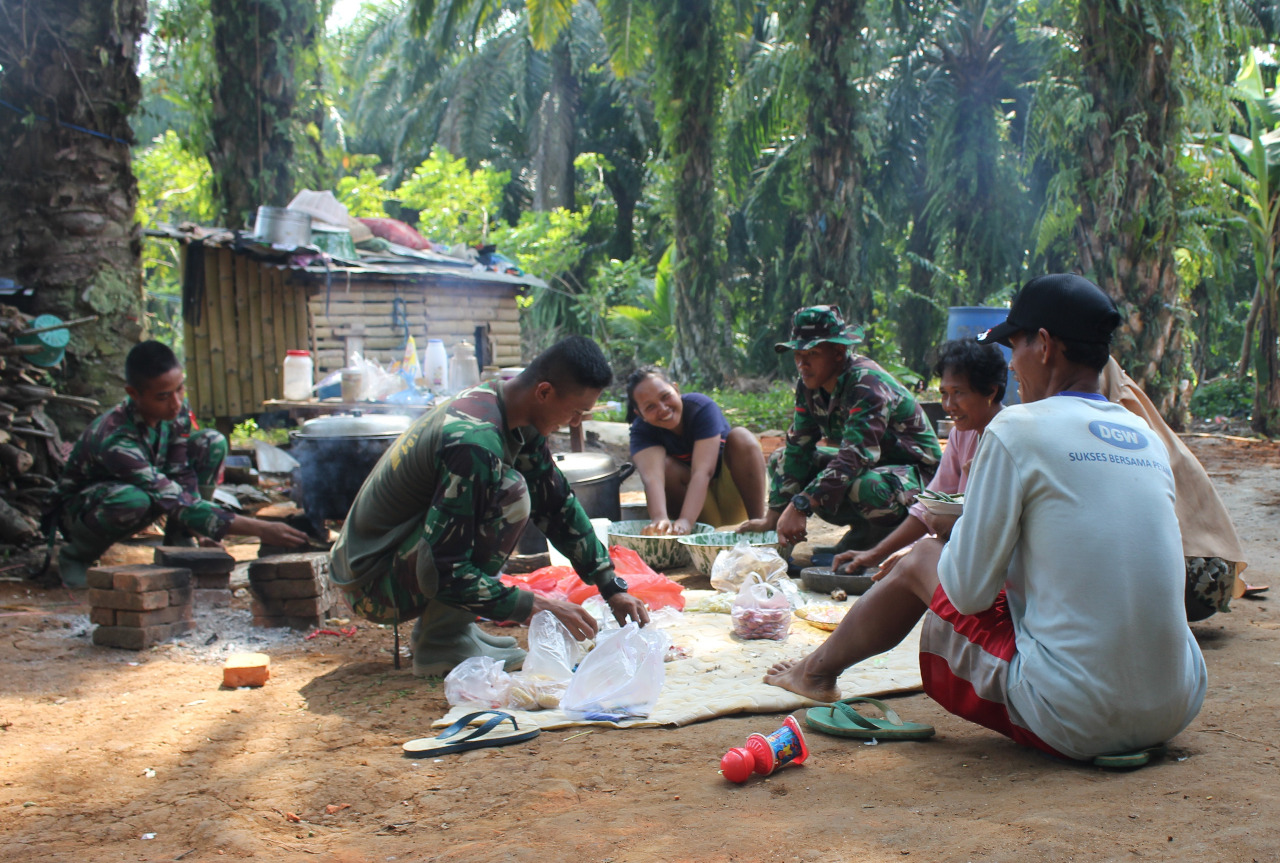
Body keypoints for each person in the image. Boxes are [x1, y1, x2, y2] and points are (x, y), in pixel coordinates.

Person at [764, 274, 1206, 762]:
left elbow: (969, 591)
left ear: (1043, 345)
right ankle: (818, 669)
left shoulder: (1017, 428)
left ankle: (816, 672)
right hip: (1176, 704)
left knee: (922, 558)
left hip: (1078, 716)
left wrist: (956, 537)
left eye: (1013, 347)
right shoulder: (1143, 435)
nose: (1012, 366)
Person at [329, 336, 650, 678]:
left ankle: (452, 629)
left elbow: (556, 504)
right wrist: (536, 606)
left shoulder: (510, 411)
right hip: (372, 584)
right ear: (543, 392)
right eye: (575, 412)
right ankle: (442, 642)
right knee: (510, 495)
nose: (575, 423)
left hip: (392, 559)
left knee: (520, 490)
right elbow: (444, 568)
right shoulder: (474, 441)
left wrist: (609, 584)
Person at [49, 341, 309, 587]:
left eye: (180, 389)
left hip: (144, 492)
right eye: (163, 396)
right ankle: (75, 557)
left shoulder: (174, 412)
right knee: (134, 500)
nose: (176, 403)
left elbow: (181, 473)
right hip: (83, 511)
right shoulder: (115, 438)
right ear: (133, 394)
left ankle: (180, 539)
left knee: (211, 442)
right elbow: (171, 497)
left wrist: (202, 530)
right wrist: (260, 529)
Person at [740, 305, 942, 550]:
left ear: (838, 351)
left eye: (812, 353)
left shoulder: (867, 384)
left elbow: (856, 456)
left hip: (919, 478)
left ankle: (881, 540)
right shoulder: (809, 384)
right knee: (781, 459)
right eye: (798, 355)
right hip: (872, 467)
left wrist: (801, 503)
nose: (802, 364)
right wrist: (773, 516)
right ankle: (862, 532)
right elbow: (799, 447)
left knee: (868, 487)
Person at [832, 339, 1006, 575]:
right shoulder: (961, 435)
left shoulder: (1009, 438)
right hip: (966, 549)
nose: (948, 405)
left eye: (959, 393)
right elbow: (927, 505)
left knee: (921, 553)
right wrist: (876, 553)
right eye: (944, 393)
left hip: (996, 564)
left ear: (991, 391)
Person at [1100, 358, 1255, 621]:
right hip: (1209, 578)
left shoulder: (1114, 421)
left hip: (1196, 584)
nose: (1013, 367)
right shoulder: (1130, 403)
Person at [625, 367, 767, 533]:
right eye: (650, 407)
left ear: (676, 389)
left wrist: (686, 520)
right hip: (701, 513)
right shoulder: (641, 430)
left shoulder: (700, 407)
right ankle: (688, 534)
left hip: (734, 497)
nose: (663, 409)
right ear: (639, 413)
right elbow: (652, 479)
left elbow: (703, 471)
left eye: (666, 397)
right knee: (666, 466)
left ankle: (760, 527)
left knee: (742, 437)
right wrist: (659, 519)